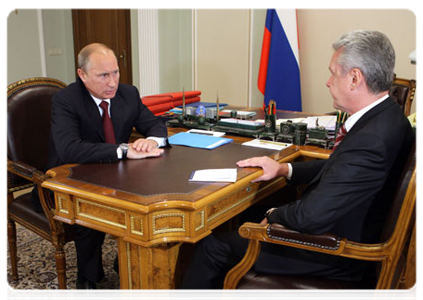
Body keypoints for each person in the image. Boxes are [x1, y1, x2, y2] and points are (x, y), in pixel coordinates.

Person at [175, 30, 414, 300]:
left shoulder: (370, 139)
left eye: (333, 73)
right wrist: (285, 170)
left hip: (335, 253)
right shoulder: (391, 118)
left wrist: (276, 214)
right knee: (245, 219)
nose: (327, 82)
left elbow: (310, 216)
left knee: (214, 245)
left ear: (355, 78)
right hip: (348, 228)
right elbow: (342, 171)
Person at [34, 43, 168, 300]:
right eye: (103, 75)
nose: (112, 82)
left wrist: (152, 139)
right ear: (82, 75)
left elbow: (155, 124)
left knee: (151, 195)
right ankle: (87, 279)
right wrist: (123, 150)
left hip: (115, 173)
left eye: (115, 72)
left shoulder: (128, 93)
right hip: (68, 178)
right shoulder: (66, 100)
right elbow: (69, 150)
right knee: (93, 212)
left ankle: (126, 260)